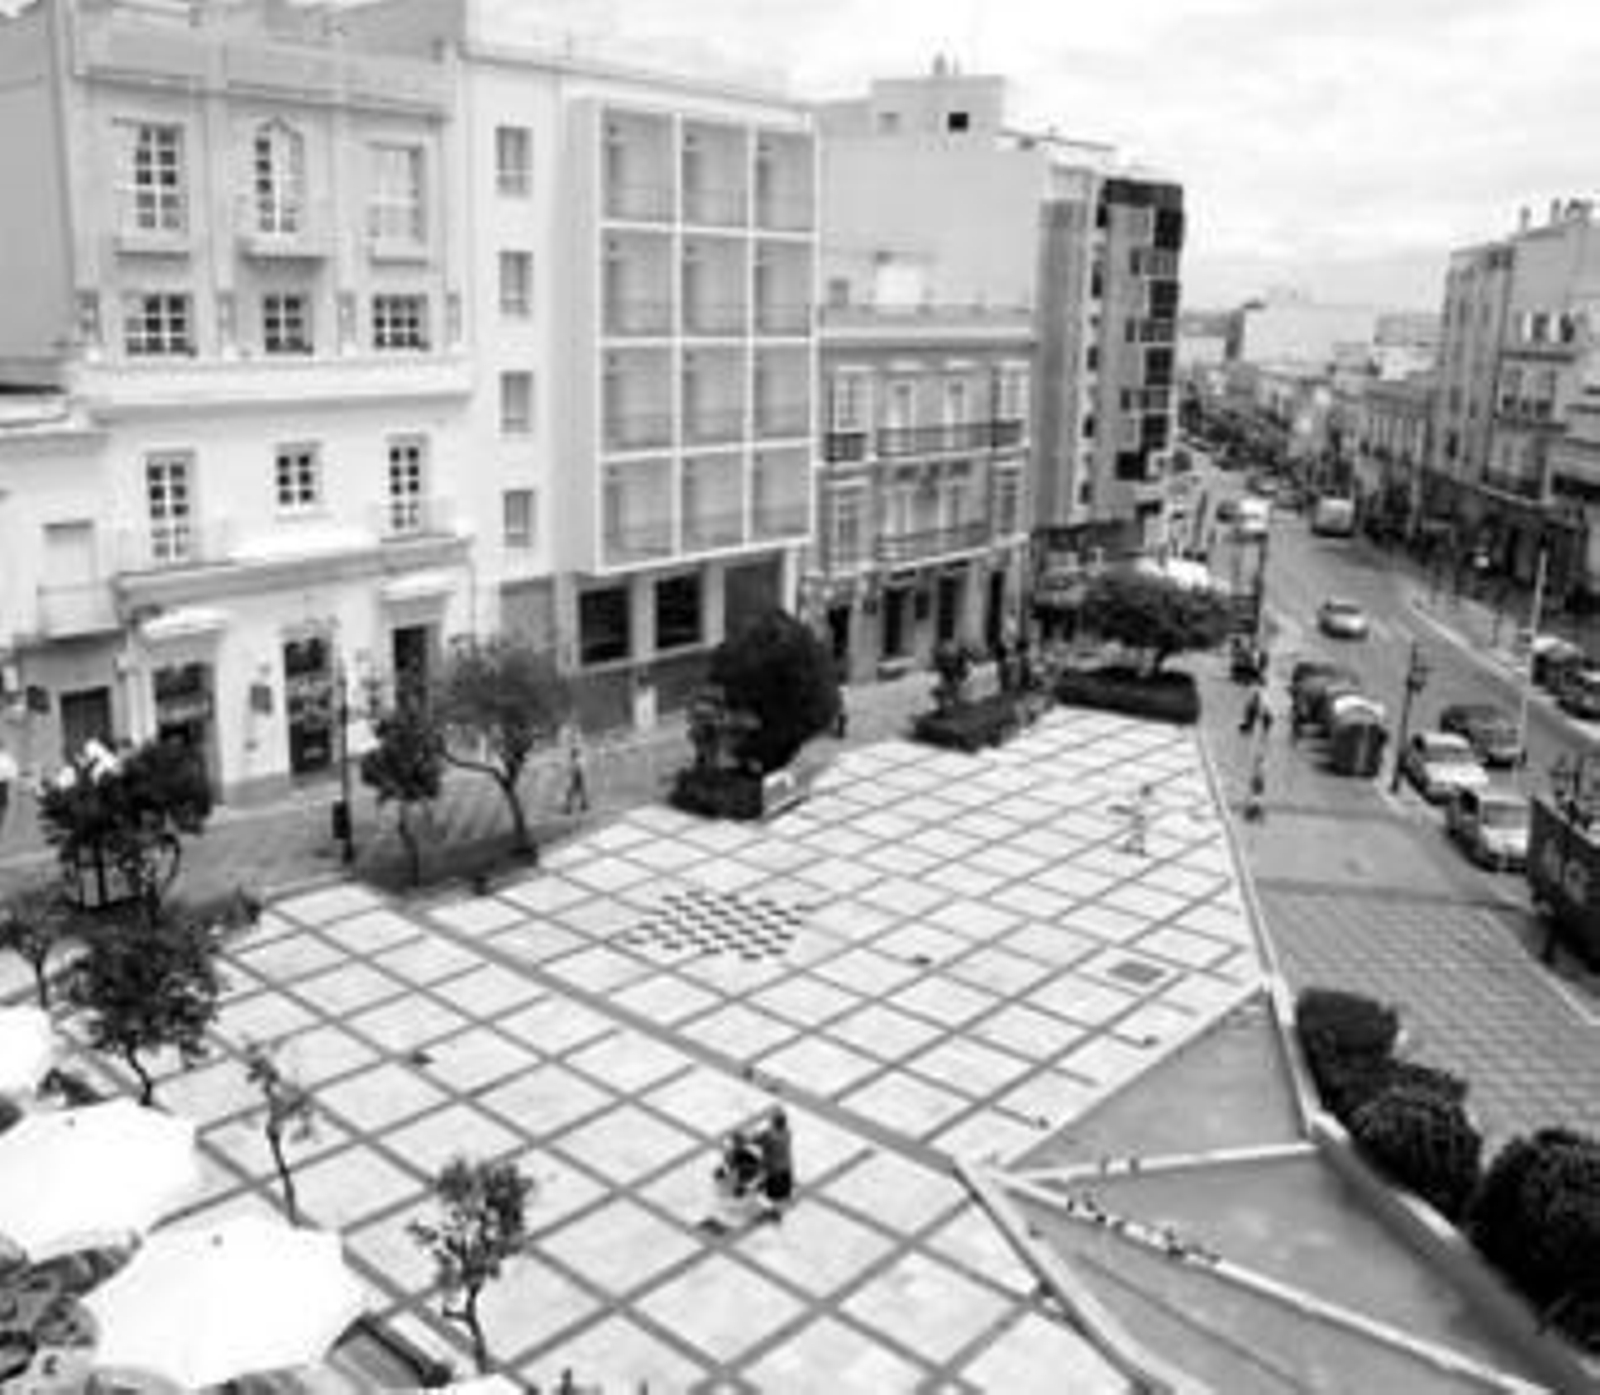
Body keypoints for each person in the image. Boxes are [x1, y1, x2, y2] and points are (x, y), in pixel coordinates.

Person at [755, 1106, 794, 1219]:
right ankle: (777, 1211)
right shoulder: (788, 1133)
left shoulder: (769, 1135)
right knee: (781, 1194)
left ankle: (773, 1212)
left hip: (774, 1170)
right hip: (786, 1168)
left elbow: (757, 1141)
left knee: (767, 1192)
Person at [562, 728, 590, 815]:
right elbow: (574, 753)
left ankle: (580, 805)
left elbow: (577, 753)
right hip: (575, 765)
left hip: (577, 765)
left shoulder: (576, 743)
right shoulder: (573, 744)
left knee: (577, 786)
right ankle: (571, 806)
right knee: (574, 786)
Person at [0, 741, 15, 837]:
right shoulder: (7, 758)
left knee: (3, 808)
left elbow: (12, 772)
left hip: (3, 784)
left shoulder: (7, 758)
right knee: (2, 808)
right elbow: (12, 773)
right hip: (4, 784)